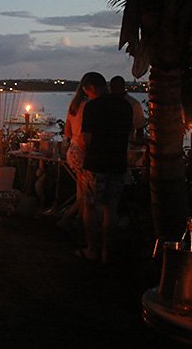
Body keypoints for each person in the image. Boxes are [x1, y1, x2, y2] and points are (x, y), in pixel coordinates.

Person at [76, 72, 133, 264]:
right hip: (118, 163)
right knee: (111, 208)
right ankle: (107, 253)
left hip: (96, 164)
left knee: (90, 206)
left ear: (90, 87)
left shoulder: (93, 106)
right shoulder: (125, 105)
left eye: (86, 90)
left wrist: (82, 147)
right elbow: (129, 134)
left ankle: (92, 249)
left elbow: (86, 139)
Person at [56, 81, 87, 231]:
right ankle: (68, 221)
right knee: (87, 194)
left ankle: (78, 221)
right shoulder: (91, 106)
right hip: (83, 151)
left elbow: (67, 133)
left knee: (83, 191)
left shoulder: (74, 106)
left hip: (73, 151)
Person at [110, 76, 145, 142]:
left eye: (117, 87)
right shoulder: (107, 103)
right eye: (113, 87)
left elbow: (139, 128)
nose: (113, 90)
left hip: (127, 143)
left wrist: (137, 144)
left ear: (122, 87)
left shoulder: (133, 104)